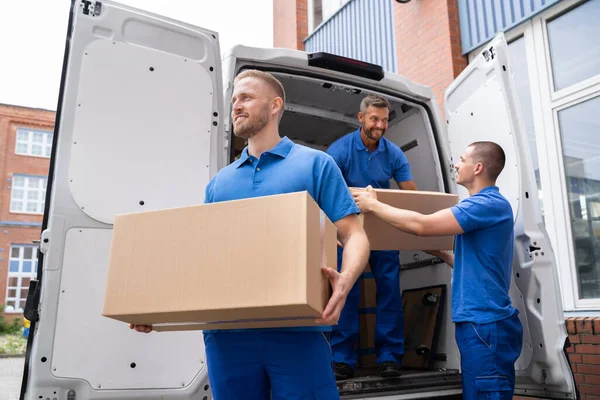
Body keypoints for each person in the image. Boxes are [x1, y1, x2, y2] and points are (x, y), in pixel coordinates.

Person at [130, 69, 370, 400]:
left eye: (246, 97)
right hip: (227, 334)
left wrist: (345, 280)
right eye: (233, 100)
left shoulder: (317, 165)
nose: (236, 106)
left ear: (274, 105)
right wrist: (153, 308)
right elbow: (201, 258)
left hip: (298, 328)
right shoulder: (220, 183)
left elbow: (354, 234)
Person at [353, 141, 523, 400]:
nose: (456, 163)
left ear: (478, 167)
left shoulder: (485, 204)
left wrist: (373, 205)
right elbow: (476, 267)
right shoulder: (486, 207)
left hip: (485, 323)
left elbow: (421, 225)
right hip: (479, 323)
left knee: (487, 394)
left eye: (462, 159)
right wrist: (442, 254)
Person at [326, 94, 417, 380]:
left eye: (385, 120)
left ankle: (389, 357)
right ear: (361, 118)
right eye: (374, 119)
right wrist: (331, 232)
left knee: (389, 291)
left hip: (381, 229)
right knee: (346, 290)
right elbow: (323, 193)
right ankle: (342, 359)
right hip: (346, 230)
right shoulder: (339, 150)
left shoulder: (394, 154)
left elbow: (412, 196)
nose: (380, 125)